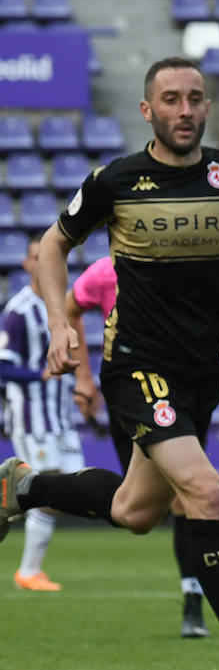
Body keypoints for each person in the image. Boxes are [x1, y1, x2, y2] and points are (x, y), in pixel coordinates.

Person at [0, 56, 219, 670]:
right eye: (171, 98)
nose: (186, 109)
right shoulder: (117, 181)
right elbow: (55, 243)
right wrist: (63, 323)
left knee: (135, 511)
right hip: (136, 366)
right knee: (204, 491)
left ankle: (24, 488)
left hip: (201, 370)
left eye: (195, 98)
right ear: (148, 110)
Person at [66, 253, 219, 636]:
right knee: (134, 511)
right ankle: (31, 489)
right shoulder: (104, 272)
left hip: (184, 396)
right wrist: (83, 377)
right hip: (133, 395)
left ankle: (193, 603)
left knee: (185, 496)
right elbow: (70, 309)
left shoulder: (195, 267)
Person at [1, 239, 83, 592]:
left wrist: (81, 388)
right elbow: (3, 367)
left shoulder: (60, 306)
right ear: (27, 264)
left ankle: (29, 564)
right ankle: (29, 571)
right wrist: (41, 374)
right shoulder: (18, 311)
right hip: (31, 416)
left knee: (68, 490)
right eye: (38, 258)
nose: (45, 263)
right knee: (46, 490)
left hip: (61, 416)